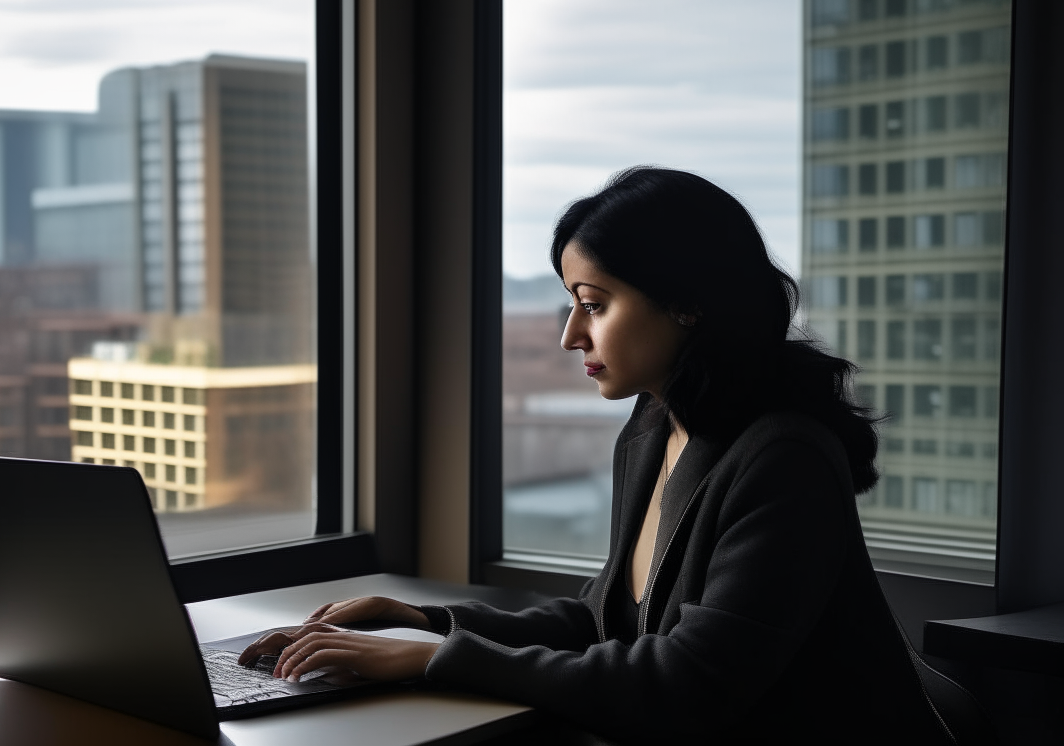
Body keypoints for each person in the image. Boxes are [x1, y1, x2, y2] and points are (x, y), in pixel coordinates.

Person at [239, 168, 956, 744]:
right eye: (571, 304)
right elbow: (604, 621)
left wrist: (434, 660)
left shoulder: (785, 461)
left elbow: (687, 684)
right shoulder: (656, 426)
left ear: (687, 305)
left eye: (595, 303)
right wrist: (424, 622)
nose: (571, 335)